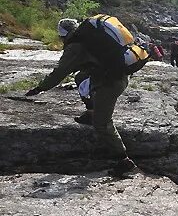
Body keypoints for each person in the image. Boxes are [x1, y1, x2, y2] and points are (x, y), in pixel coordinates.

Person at [25, 18, 139, 178]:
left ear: (62, 35)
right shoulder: (88, 38)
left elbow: (60, 72)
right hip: (114, 76)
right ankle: (91, 111)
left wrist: (40, 88)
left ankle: (124, 160)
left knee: (102, 124)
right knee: (80, 77)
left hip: (111, 83)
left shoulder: (76, 46)